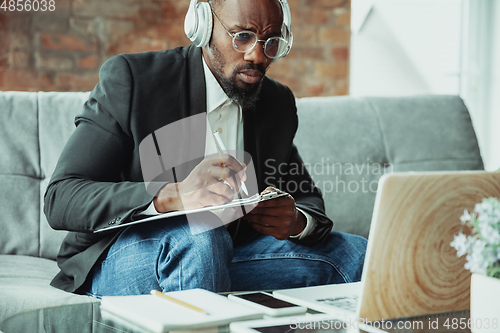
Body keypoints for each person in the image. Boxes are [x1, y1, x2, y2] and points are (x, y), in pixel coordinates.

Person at [44, 0, 367, 296]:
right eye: (242, 36)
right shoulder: (135, 80)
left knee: (356, 253)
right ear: (202, 24)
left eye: (271, 42)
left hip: (227, 253)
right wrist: (170, 195)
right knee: (201, 237)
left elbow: (305, 193)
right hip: (122, 254)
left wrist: (296, 220)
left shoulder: (276, 102)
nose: (257, 55)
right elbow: (62, 197)